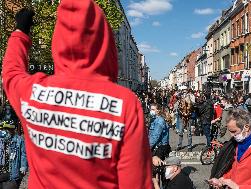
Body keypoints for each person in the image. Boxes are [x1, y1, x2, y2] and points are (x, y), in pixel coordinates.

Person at [2, 2, 152, 188]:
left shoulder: (32, 92)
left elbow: (11, 72)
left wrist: (20, 32)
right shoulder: (125, 105)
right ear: (104, 42)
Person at [209, 109, 251, 188]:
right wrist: (222, 180)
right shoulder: (241, 142)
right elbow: (237, 170)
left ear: (246, 127)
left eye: (234, 131)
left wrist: (238, 187)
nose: (231, 135)